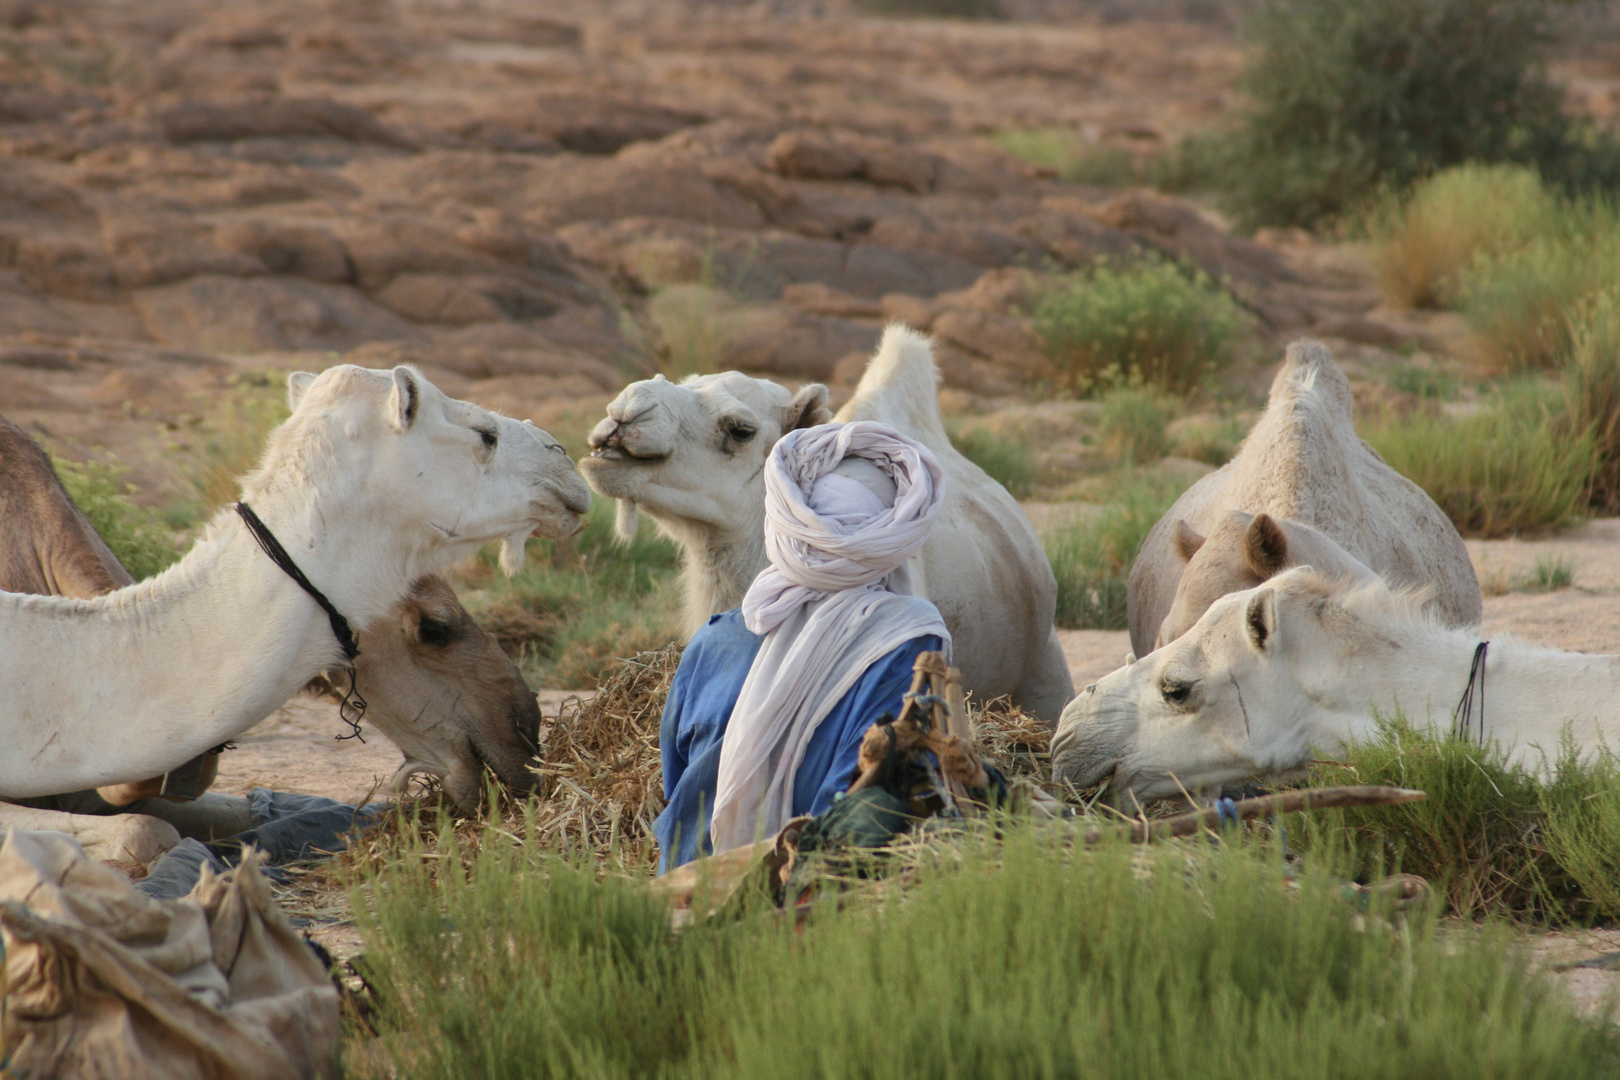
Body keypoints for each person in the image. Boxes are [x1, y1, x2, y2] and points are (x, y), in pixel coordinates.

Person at [653, 421, 949, 871]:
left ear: (787, 527)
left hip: (683, 889)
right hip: (809, 901)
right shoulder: (909, 642)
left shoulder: (714, 639)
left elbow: (675, 782)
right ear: (894, 537)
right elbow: (878, 794)